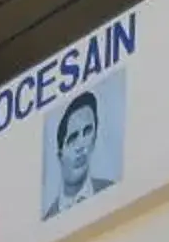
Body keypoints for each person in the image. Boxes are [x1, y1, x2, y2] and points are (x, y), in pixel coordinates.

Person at [44, 88, 115, 217]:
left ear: (94, 138)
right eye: (72, 138)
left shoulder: (112, 190)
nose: (81, 145)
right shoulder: (49, 217)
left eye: (87, 131)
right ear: (60, 156)